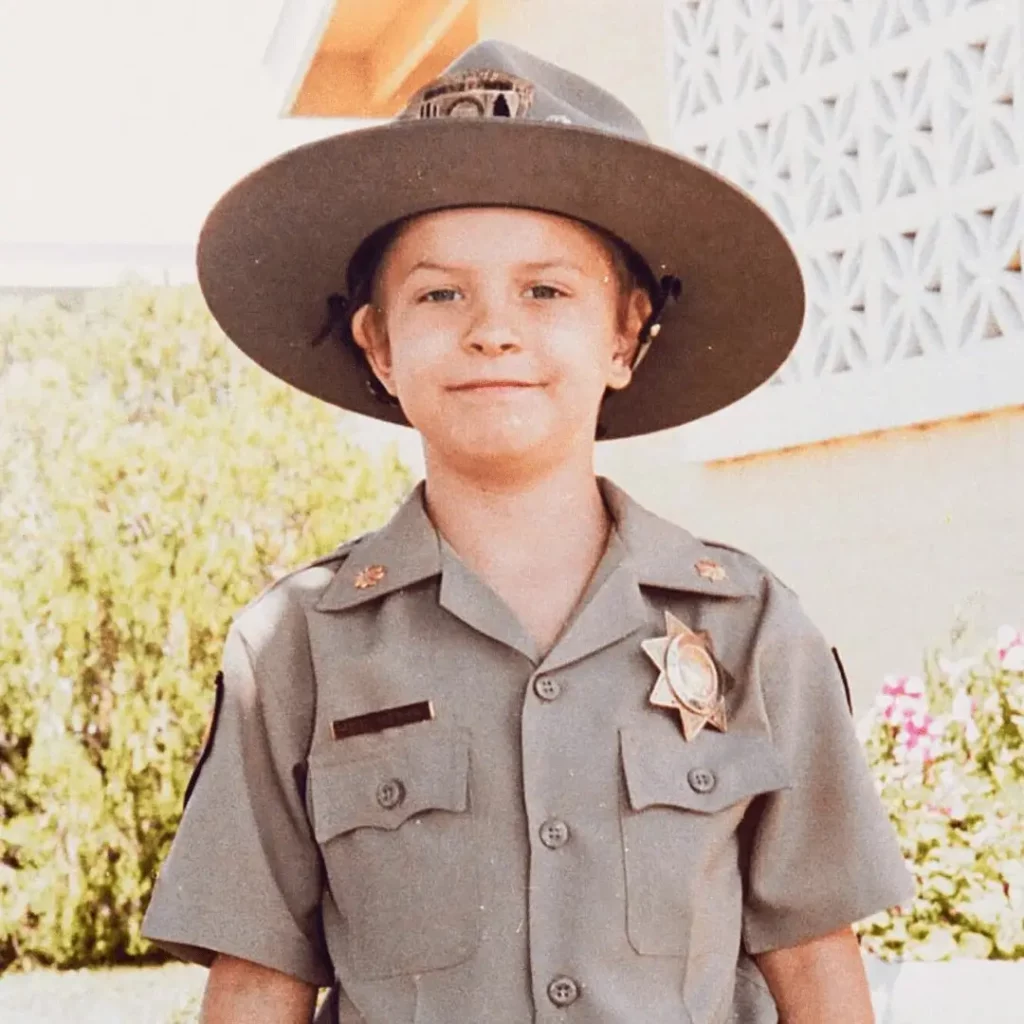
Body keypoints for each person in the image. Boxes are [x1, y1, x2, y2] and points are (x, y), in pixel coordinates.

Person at [142, 40, 914, 1024]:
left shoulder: (750, 627)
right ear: (377, 345)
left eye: (545, 290)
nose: (493, 330)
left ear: (626, 333)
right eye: (438, 293)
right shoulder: (299, 646)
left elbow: (816, 966)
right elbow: (256, 984)